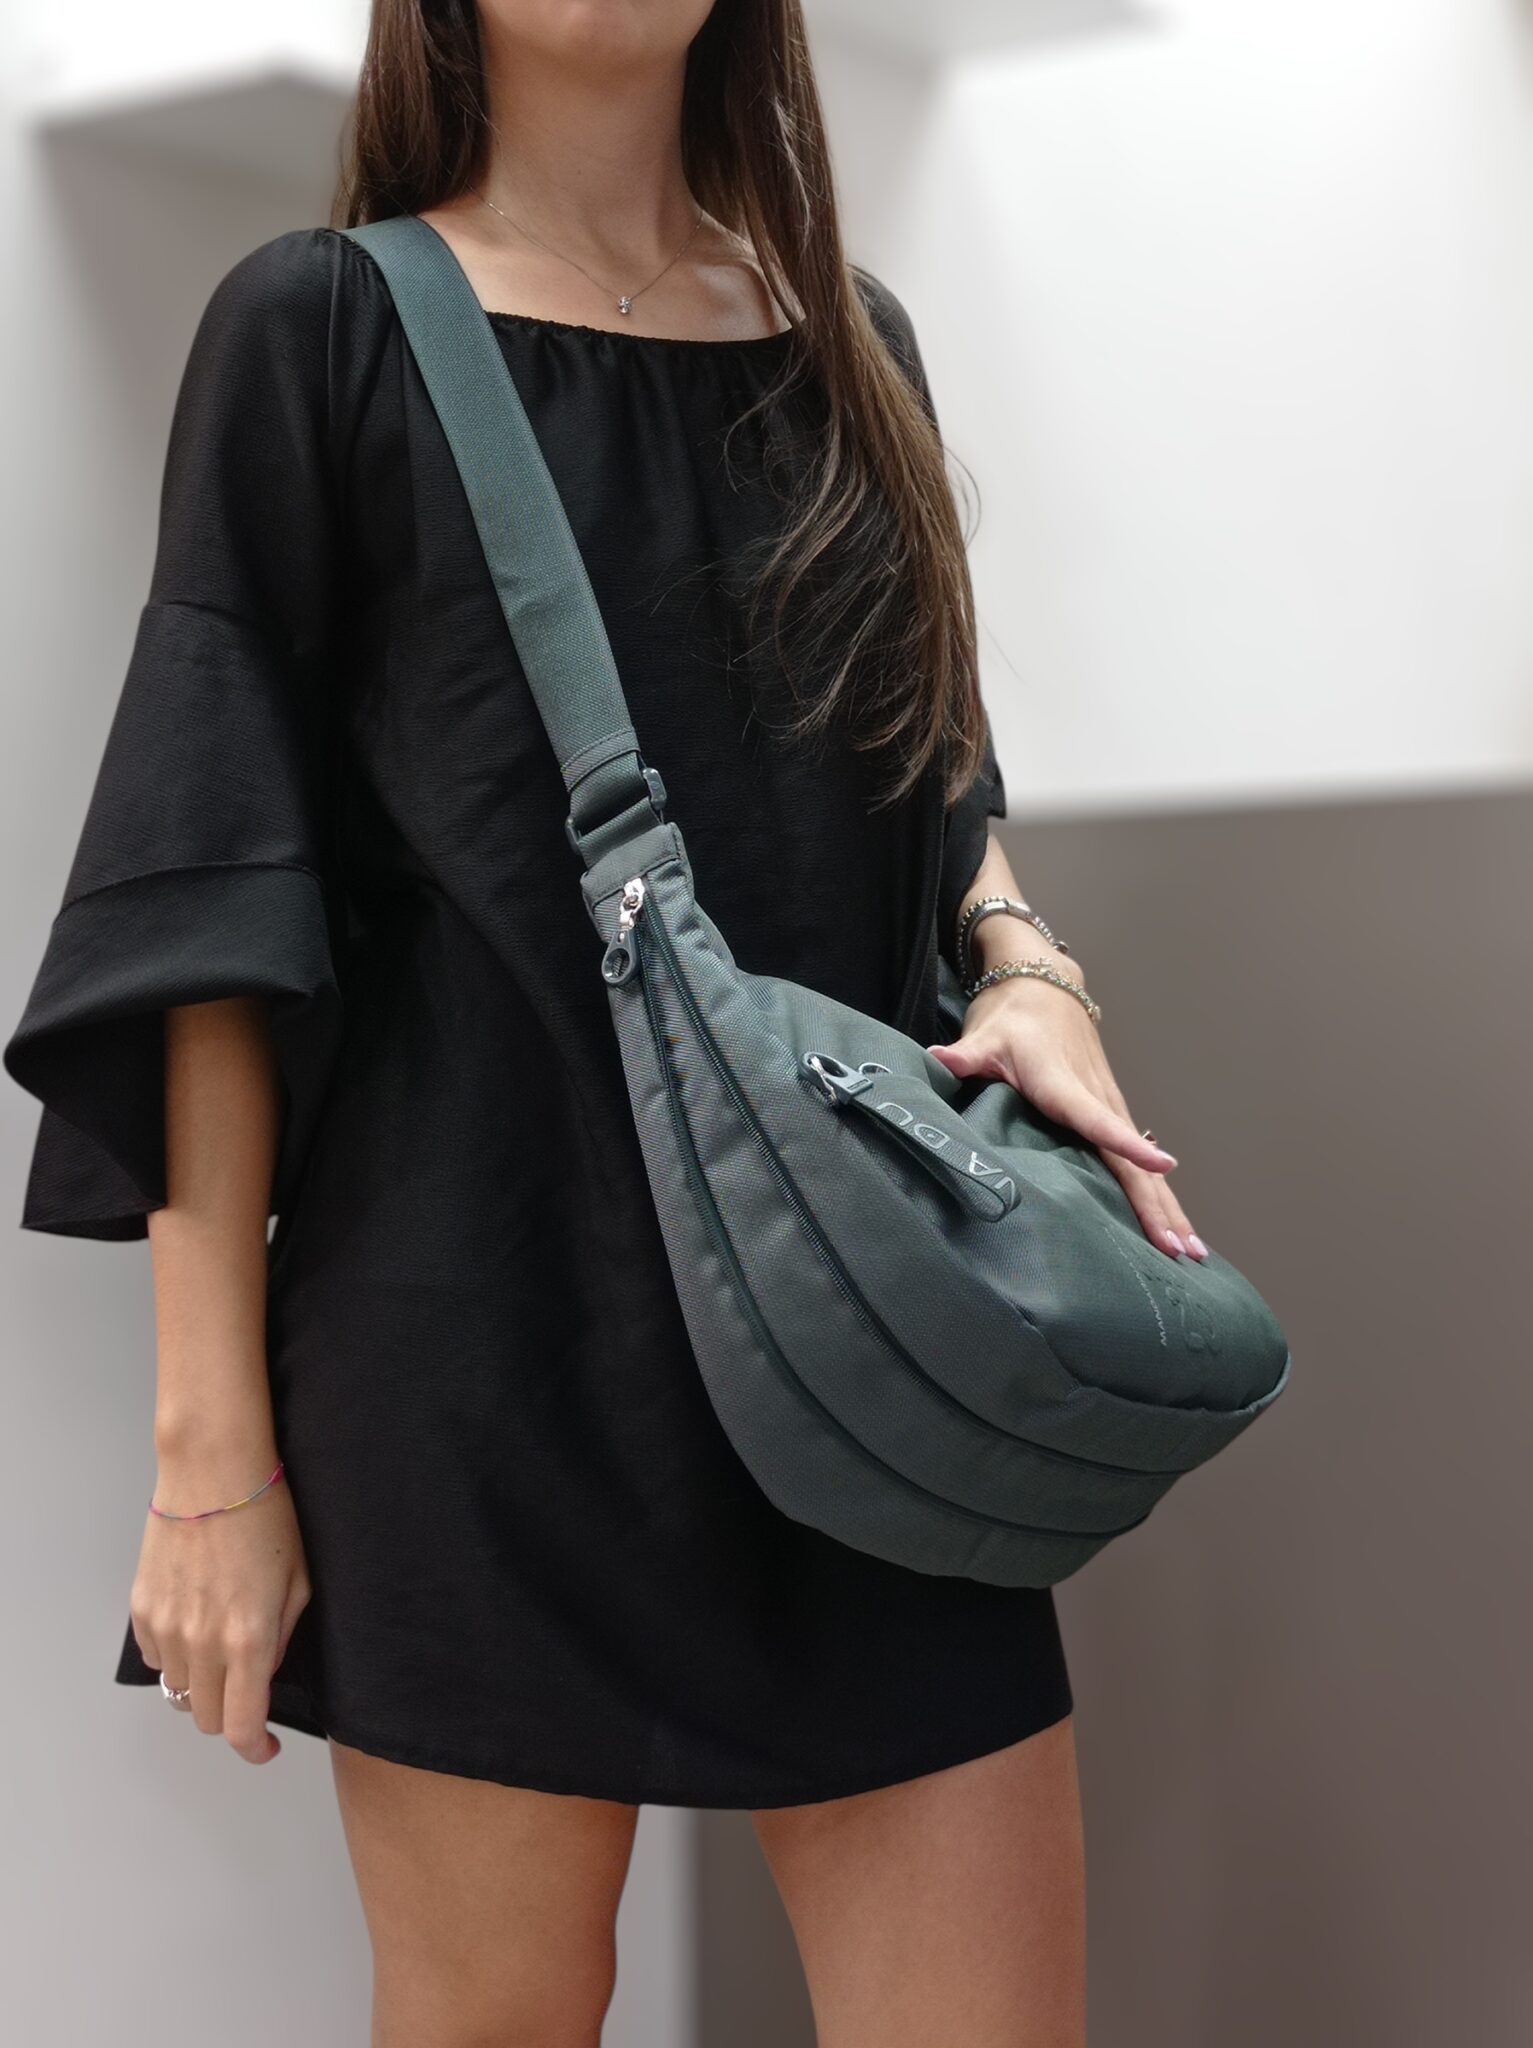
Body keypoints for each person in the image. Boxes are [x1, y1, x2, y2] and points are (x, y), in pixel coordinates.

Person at [4, 2, 1206, 2041]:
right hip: (476, 1352)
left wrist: (1025, 968)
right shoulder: (320, 328)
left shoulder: (852, 351)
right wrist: (209, 1457)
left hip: (870, 1340)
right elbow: (212, 899)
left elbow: (942, 798)